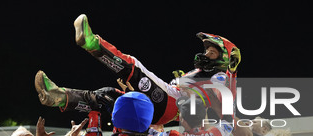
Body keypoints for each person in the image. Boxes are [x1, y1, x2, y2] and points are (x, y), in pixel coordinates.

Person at [34, 14, 240, 125]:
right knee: (109, 97)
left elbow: (223, 111)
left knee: (134, 66)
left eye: (212, 52)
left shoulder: (222, 77)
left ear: (227, 59)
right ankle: (60, 97)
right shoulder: (207, 76)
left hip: (170, 102)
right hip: (163, 107)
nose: (205, 55)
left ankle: (93, 43)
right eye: (206, 51)